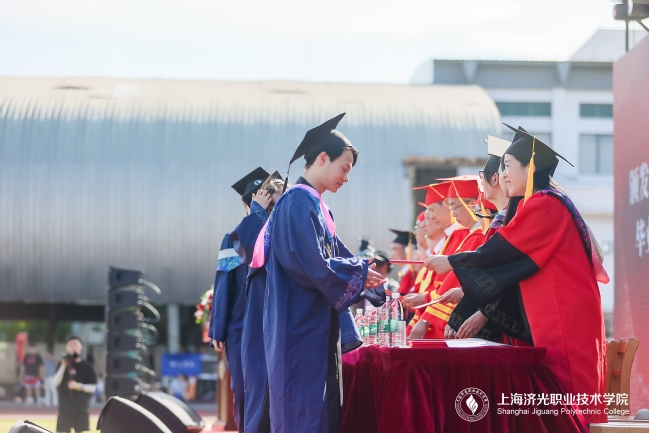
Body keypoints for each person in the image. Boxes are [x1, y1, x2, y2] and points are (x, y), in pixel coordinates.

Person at [425, 125, 607, 423]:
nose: (504, 175)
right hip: (551, 310)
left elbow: (505, 252)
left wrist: (453, 261)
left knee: (568, 394)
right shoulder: (538, 203)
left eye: (507, 166)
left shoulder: (546, 204)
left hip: (564, 312)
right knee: (551, 400)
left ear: (530, 167)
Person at [260, 113, 387, 433]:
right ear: (322, 158)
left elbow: (338, 256)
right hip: (298, 327)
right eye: (344, 168)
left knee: (320, 412)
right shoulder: (296, 202)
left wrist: (365, 273)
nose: (346, 178)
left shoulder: (317, 205)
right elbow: (311, 264)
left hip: (314, 326)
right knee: (301, 413)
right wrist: (357, 273)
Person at [210, 166, 274, 433]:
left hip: (272, 325)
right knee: (245, 391)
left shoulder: (278, 234)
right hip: (239, 327)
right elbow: (224, 283)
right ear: (249, 205)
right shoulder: (234, 239)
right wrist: (219, 328)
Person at [54, 336, 97, 433]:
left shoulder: (87, 366)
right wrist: (63, 366)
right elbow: (56, 382)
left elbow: (93, 387)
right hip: (65, 407)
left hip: (81, 408)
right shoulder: (62, 364)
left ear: (81, 346)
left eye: (76, 344)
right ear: (66, 347)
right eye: (70, 345)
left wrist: (78, 386)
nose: (73, 347)